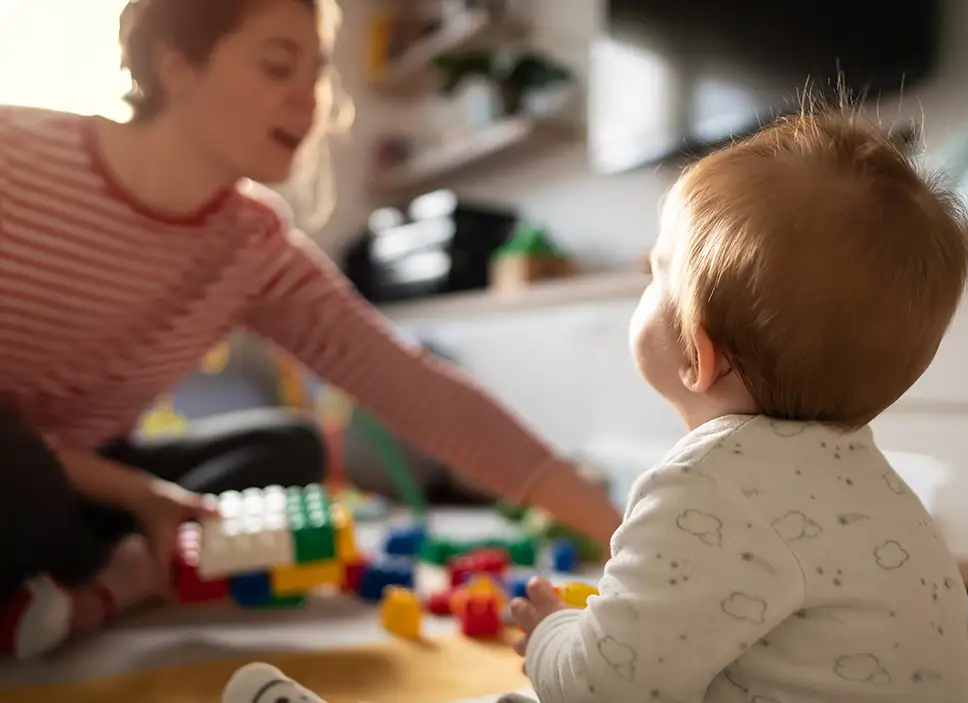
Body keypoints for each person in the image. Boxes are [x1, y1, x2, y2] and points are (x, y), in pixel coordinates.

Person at [0, 0, 621, 659]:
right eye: (277, 67)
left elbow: (417, 387)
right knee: (24, 482)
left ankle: (106, 567)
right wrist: (139, 493)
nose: (310, 100)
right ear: (176, 66)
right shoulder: (17, 156)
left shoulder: (254, 245)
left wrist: (626, 535)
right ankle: (116, 565)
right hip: (26, 470)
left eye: (319, 75)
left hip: (93, 471)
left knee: (291, 448)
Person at [503, 109, 968, 702]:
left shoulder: (705, 483)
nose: (645, 284)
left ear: (699, 355)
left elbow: (600, 688)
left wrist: (552, 632)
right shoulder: (878, 488)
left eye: (656, 274)